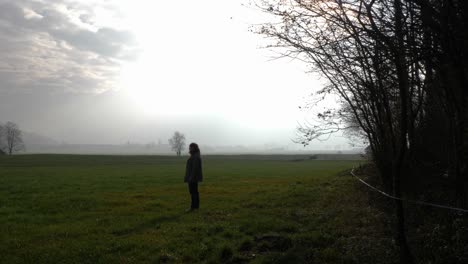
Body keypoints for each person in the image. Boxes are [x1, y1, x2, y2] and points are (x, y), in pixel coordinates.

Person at [185, 143, 203, 212]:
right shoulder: (194, 155)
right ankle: (196, 207)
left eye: (190, 147)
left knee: (193, 192)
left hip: (193, 178)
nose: (189, 148)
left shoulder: (195, 157)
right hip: (192, 177)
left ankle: (193, 207)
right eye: (189, 147)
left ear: (194, 148)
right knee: (194, 192)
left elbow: (195, 169)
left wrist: (191, 178)